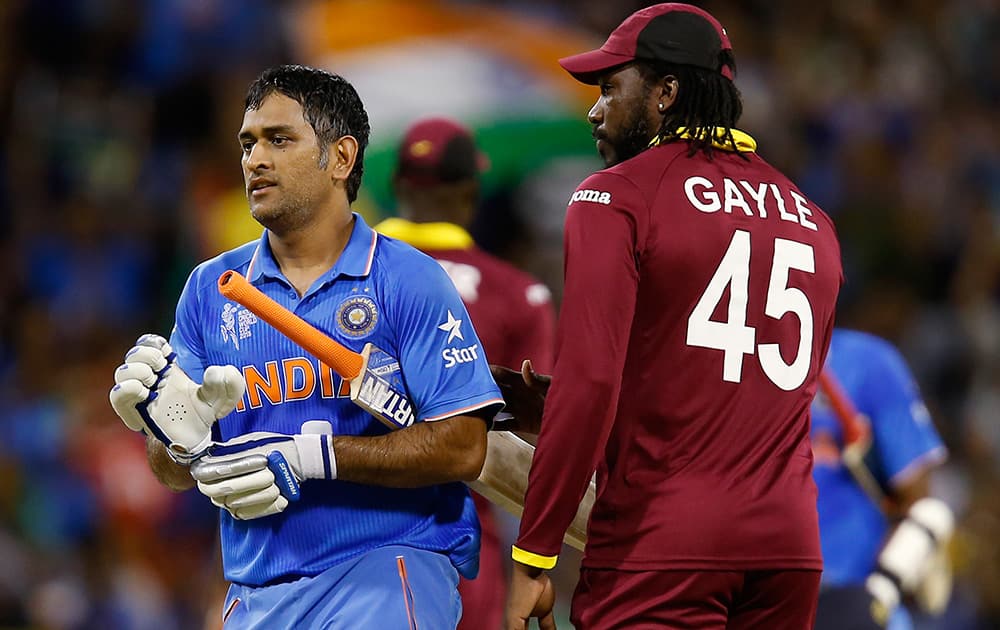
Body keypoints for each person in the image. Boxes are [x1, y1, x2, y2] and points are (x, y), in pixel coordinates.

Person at [109, 64, 505, 629]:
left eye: (278, 140)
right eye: (248, 143)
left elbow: (464, 448)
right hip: (255, 592)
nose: (254, 159)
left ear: (341, 158)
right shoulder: (208, 288)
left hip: (386, 570)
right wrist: (177, 438)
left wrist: (310, 456)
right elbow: (173, 470)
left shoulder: (408, 278)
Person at [495, 4, 844, 629]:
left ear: (666, 92)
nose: (594, 111)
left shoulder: (616, 195)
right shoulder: (814, 220)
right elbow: (742, 390)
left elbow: (591, 383)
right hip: (789, 549)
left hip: (666, 541)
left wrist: (533, 556)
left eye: (609, 88)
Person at [375, 115, 557, 630]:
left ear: (395, 187)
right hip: (457, 543)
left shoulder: (327, 276)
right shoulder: (518, 296)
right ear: (472, 191)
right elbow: (537, 444)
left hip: (328, 535)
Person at [811, 328, 952, 630]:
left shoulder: (867, 362)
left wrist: (881, 591)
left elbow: (918, 499)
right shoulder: (729, 358)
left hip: (854, 593)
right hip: (761, 596)